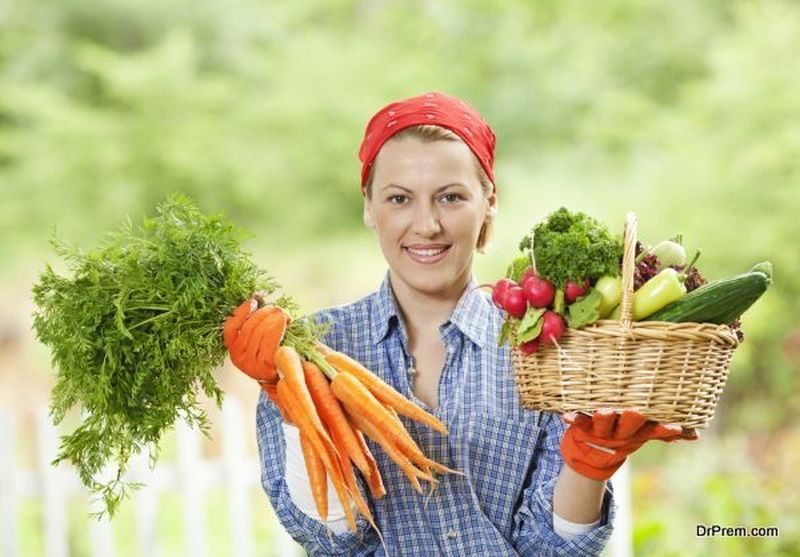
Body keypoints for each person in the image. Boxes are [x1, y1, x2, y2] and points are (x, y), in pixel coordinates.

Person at [225, 91, 696, 556]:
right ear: (369, 206)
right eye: (399, 198)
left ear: (488, 203)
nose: (427, 224)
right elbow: (336, 542)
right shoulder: (311, 351)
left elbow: (553, 548)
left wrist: (589, 466)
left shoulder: (545, 345)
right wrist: (290, 399)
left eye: (451, 197)